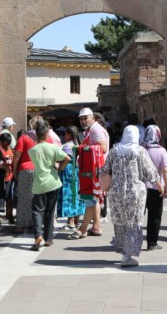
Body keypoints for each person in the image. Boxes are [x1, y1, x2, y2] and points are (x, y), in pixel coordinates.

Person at [101, 125, 159, 267]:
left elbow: (104, 170)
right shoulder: (140, 151)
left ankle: (123, 250)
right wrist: (160, 184)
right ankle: (127, 256)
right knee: (133, 221)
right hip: (135, 192)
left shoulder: (114, 151)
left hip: (116, 192)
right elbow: (150, 171)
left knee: (120, 221)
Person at [28, 120, 70, 250]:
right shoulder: (53, 147)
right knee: (50, 211)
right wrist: (60, 168)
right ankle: (48, 239)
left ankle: (37, 236)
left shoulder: (32, 150)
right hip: (53, 181)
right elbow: (67, 158)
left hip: (39, 182)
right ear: (46, 135)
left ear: (36, 135)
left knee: (37, 211)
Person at [72, 107, 109, 239]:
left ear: (93, 118)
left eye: (85, 118)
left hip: (96, 170)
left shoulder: (96, 130)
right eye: (81, 119)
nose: (83, 121)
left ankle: (82, 229)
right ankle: (96, 226)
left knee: (91, 199)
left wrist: (81, 148)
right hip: (92, 170)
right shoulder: (91, 130)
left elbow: (103, 148)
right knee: (94, 198)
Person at [143, 124, 167, 250]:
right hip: (157, 188)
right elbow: (165, 170)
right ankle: (152, 243)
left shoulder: (141, 150)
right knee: (155, 216)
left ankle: (133, 242)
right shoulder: (161, 150)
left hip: (141, 188)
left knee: (138, 216)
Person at [57, 126, 84, 229]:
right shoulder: (78, 144)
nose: (65, 136)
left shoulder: (68, 145)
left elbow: (67, 158)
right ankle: (76, 220)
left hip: (68, 171)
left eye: (66, 134)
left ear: (69, 134)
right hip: (76, 171)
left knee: (69, 196)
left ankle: (71, 222)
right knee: (76, 195)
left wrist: (60, 168)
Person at [12, 126, 37, 233]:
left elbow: (17, 154)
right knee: (35, 198)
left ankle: (21, 225)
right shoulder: (43, 137)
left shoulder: (23, 138)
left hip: (26, 170)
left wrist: (14, 169)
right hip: (39, 171)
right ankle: (34, 223)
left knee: (23, 198)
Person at [0, 133, 15, 224]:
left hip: (9, 177)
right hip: (2, 176)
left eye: (1, 142)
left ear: (5, 142)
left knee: (9, 197)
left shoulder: (11, 151)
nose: (0, 143)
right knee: (5, 196)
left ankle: (9, 215)